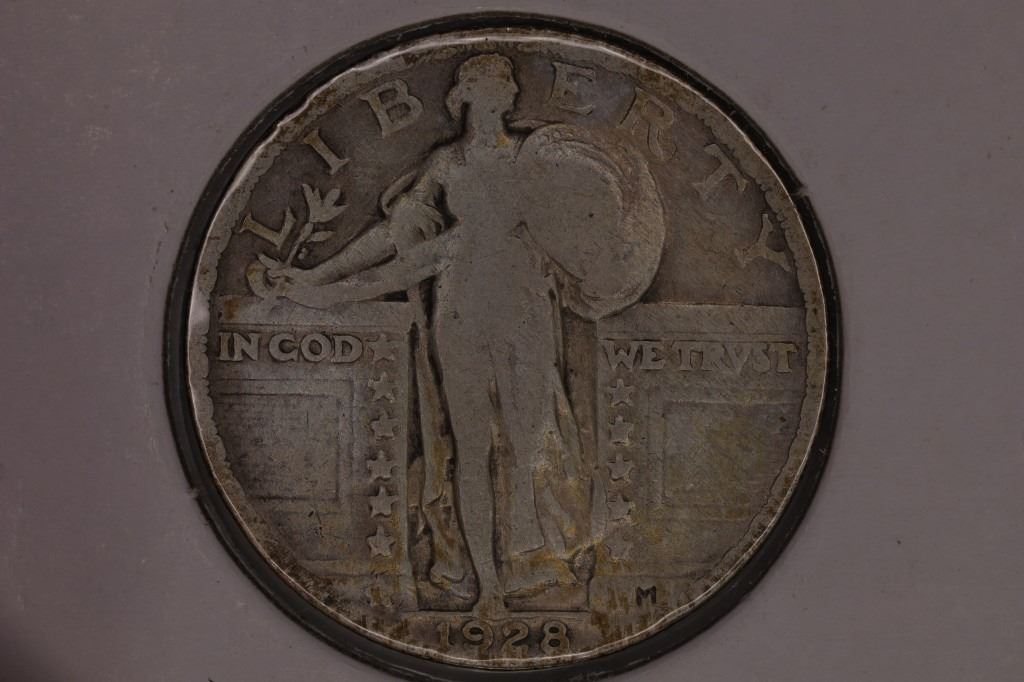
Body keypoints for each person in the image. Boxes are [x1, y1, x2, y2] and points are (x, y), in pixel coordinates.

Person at [259, 54, 663, 612]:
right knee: (470, 452)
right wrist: (315, 278)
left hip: (524, 309)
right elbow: (393, 237)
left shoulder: (532, 160)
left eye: (507, 82)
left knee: (528, 445)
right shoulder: (445, 164)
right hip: (460, 308)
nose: (504, 90)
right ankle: (487, 590)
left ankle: (525, 565)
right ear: (465, 94)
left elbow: (589, 221)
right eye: (489, 82)